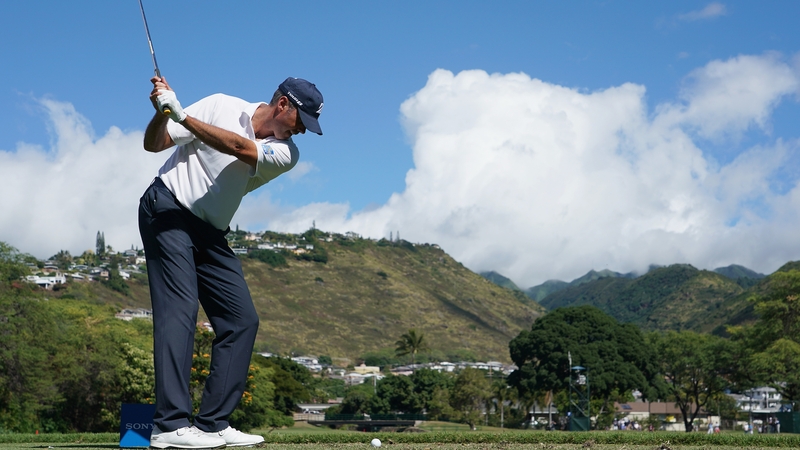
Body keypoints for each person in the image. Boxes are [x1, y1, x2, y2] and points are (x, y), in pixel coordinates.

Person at [139, 75, 323, 449]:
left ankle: (212, 424)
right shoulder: (221, 104)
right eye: (301, 120)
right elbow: (154, 144)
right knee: (180, 311)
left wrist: (182, 115)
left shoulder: (286, 153)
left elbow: (239, 147)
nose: (302, 130)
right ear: (283, 105)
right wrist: (163, 113)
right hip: (168, 209)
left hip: (210, 231)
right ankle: (168, 426)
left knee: (241, 320)